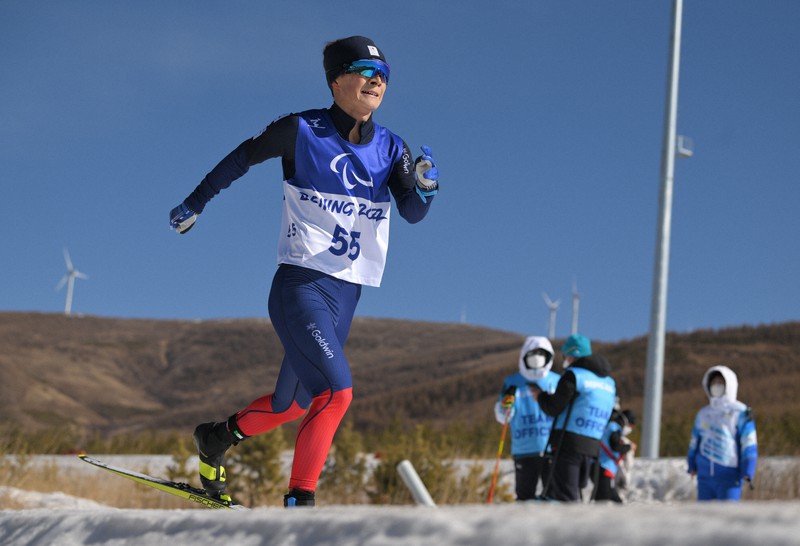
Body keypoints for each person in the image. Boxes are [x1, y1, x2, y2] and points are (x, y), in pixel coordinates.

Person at [168, 36, 440, 507]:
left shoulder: (392, 147)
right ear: (336, 80)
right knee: (336, 394)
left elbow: (413, 212)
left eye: (385, 74)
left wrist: (427, 185)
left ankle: (216, 439)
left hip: (346, 298)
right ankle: (300, 504)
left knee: (288, 405)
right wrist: (194, 202)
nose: (378, 80)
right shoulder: (302, 130)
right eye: (364, 70)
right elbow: (243, 157)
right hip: (301, 288)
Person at [531, 333, 616, 502]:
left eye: (565, 355)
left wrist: (540, 396)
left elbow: (554, 407)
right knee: (576, 494)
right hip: (592, 445)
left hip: (567, 442)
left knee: (565, 499)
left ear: (572, 355)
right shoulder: (608, 382)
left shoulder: (574, 375)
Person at [494, 336, 560, 501]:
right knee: (524, 498)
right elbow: (503, 416)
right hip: (524, 448)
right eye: (533, 354)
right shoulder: (512, 382)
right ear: (525, 356)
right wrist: (504, 408)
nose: (537, 358)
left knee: (553, 496)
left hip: (552, 447)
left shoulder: (556, 381)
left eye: (541, 354)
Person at [687, 365, 758, 502]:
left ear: (729, 385)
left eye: (720, 382)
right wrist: (692, 464)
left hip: (729, 475)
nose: (716, 385)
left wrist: (748, 468)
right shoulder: (703, 413)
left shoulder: (741, 412)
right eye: (713, 382)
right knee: (703, 519)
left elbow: (748, 441)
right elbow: (694, 441)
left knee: (727, 518)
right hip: (705, 475)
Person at [592, 408, 636, 503]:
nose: (630, 428)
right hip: (603, 466)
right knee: (606, 494)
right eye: (631, 425)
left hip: (599, 465)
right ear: (627, 421)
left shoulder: (610, 426)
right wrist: (629, 447)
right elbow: (615, 446)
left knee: (600, 496)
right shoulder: (614, 428)